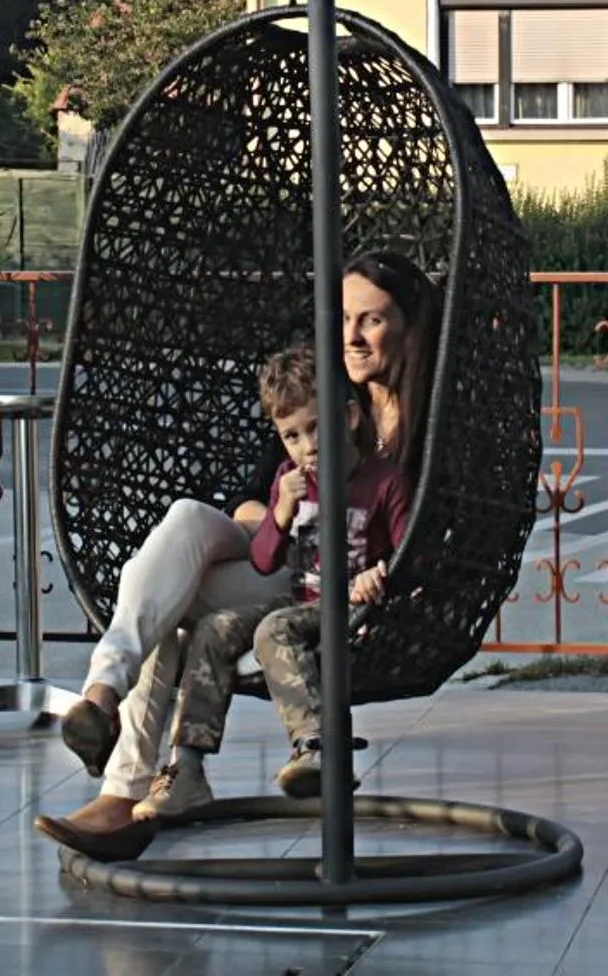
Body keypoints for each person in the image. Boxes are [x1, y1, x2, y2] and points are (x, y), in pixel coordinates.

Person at [34, 250, 439, 860]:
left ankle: (124, 791)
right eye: (346, 318)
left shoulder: (426, 418)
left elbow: (421, 530)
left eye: (372, 321)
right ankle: (102, 698)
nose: (351, 337)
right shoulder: (316, 384)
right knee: (187, 520)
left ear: (408, 325)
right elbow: (250, 497)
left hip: (331, 580)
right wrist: (278, 508)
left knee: (164, 604)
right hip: (277, 546)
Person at [135, 342, 410, 821]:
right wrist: (280, 511)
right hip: (301, 599)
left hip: (355, 609)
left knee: (273, 630)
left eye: (316, 428)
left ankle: (316, 745)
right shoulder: (290, 478)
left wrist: (377, 579)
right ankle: (189, 769)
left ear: (347, 417)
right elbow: (264, 561)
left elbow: (410, 557)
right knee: (214, 627)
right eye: (292, 436)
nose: (307, 447)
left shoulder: (383, 483)